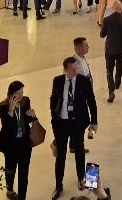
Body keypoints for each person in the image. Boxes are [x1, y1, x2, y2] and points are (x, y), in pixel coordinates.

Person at [50, 57, 98, 199]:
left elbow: (91, 102)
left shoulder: (84, 81)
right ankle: (58, 185)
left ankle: (81, 178)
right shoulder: (57, 81)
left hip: (77, 124)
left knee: (79, 150)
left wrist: (94, 121)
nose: (76, 71)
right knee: (61, 155)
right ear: (65, 70)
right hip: (62, 124)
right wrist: (54, 119)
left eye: (77, 68)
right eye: (73, 69)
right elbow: (53, 100)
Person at [0, 80, 37, 200]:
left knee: (24, 173)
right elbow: (6, 127)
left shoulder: (25, 101)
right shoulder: (3, 106)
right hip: (11, 144)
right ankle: (10, 190)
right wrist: (11, 110)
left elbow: (29, 120)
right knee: (11, 169)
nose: (21, 95)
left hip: (25, 142)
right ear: (11, 94)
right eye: (18, 93)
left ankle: (22, 197)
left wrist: (33, 116)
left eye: (22, 92)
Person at [100, 1, 122, 103]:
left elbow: (102, 35)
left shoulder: (106, 20)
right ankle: (117, 83)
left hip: (109, 49)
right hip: (121, 48)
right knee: (119, 65)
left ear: (112, 8)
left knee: (109, 70)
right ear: (121, 8)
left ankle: (111, 91)